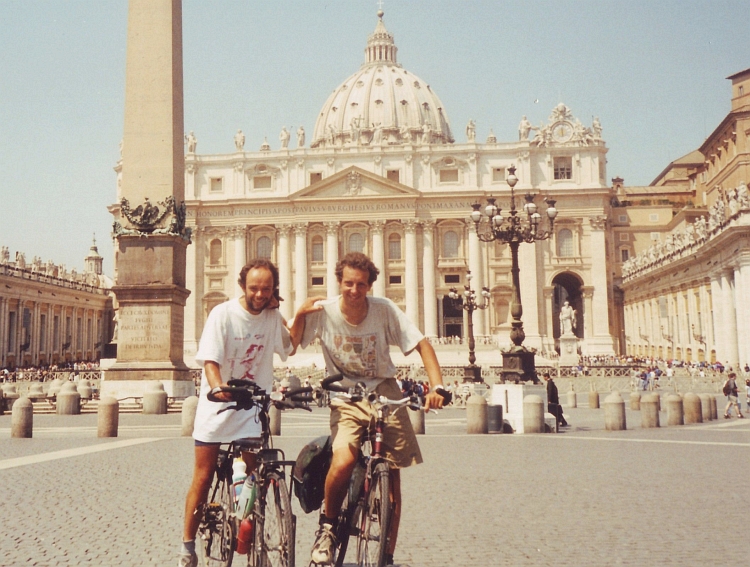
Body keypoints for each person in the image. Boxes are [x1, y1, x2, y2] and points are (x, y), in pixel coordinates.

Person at [290, 252, 447, 567]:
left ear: (370, 285)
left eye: (361, 284)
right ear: (339, 282)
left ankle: (387, 553)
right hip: (346, 395)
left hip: (385, 391)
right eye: (348, 283)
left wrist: (437, 386)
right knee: (343, 459)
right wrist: (298, 315)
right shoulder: (324, 312)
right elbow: (290, 345)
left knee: (393, 479)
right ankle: (328, 528)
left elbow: (422, 345)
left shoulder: (384, 310)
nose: (354, 290)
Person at [177, 259, 293, 567]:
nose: (259, 294)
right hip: (219, 404)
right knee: (202, 478)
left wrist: (302, 313)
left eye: (266, 289)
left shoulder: (272, 315)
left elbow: (289, 346)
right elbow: (210, 362)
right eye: (254, 288)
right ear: (242, 286)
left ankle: (247, 530)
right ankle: (187, 548)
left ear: (273, 290)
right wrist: (218, 388)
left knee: (253, 476)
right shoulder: (222, 314)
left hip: (252, 405)